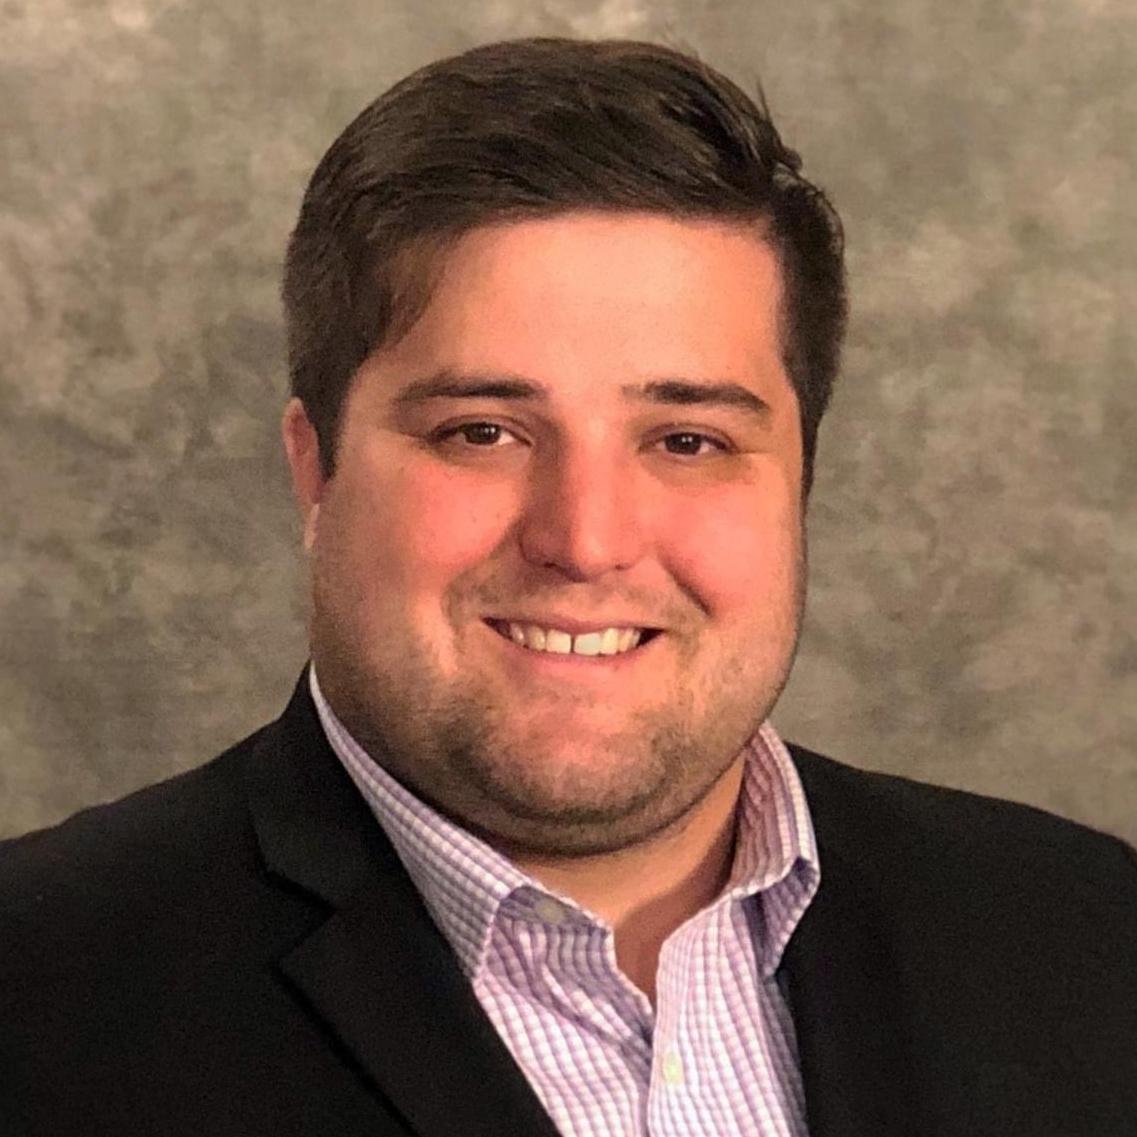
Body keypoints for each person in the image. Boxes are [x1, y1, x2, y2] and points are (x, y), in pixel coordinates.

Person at [2, 36, 1134, 1137]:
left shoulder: (1086, 938)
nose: (586, 541)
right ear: (315, 468)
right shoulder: (38, 997)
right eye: (481, 431)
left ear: (801, 481)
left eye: (686, 440)